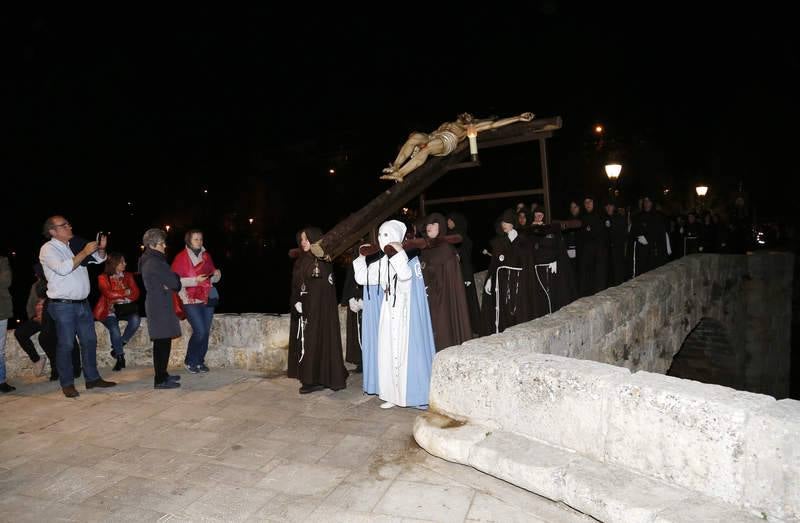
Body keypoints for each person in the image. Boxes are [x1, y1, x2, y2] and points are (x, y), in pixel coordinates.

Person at [39, 216, 116, 398]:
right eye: (63, 225)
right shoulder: (48, 249)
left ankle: (92, 378)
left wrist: (101, 249)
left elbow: (97, 260)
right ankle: (67, 383)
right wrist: (83, 252)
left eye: (68, 223)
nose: (69, 226)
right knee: (66, 344)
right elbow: (63, 269)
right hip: (63, 305)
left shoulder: (70, 246)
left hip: (82, 304)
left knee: (90, 341)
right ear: (53, 231)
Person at [374, 220, 436, 409]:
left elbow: (406, 280)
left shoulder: (410, 256)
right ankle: (392, 394)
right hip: (389, 308)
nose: (381, 240)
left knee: (406, 352)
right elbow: (378, 281)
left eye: (386, 235)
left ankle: (414, 395)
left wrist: (398, 255)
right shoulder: (384, 259)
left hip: (406, 312)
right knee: (389, 350)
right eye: (380, 235)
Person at [380, 112, 535, 182]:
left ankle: (401, 173)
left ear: (471, 120)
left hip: (448, 142)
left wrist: (518, 117)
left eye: (470, 116)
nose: (467, 115)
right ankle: (396, 166)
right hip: (434, 136)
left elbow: (493, 124)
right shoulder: (447, 123)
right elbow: (428, 136)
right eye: (466, 113)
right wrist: (417, 144)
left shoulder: (468, 127)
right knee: (414, 136)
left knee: (428, 147)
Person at [288, 227, 347, 394]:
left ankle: (316, 378)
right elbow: (296, 285)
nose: (303, 242)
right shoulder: (301, 261)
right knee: (307, 343)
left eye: (307, 239)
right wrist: (296, 301)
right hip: (304, 309)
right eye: (301, 240)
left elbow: (324, 288)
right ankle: (309, 376)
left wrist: (312, 306)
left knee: (316, 342)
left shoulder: (322, 260)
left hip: (318, 312)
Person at [420, 213, 472, 351]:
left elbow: (450, 281)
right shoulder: (425, 249)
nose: (429, 227)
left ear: (441, 227)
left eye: (433, 224)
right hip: (428, 296)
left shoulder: (447, 250)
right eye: (428, 225)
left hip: (443, 297)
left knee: (442, 327)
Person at [172, 229, 221, 374]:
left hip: (206, 297)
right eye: (196, 239)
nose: (199, 241)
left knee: (205, 331)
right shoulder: (180, 258)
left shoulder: (206, 256)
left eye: (201, 238)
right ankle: (190, 360)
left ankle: (199, 361)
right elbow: (174, 281)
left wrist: (217, 275)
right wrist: (194, 280)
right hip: (189, 299)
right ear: (188, 241)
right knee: (199, 331)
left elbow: (211, 278)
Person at [139, 228, 182, 389]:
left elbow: (169, 282)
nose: (165, 246)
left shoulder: (148, 259)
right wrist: (174, 279)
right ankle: (159, 380)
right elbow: (175, 283)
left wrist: (169, 283)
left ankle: (163, 374)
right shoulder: (155, 262)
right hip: (160, 306)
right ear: (153, 244)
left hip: (158, 304)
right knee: (162, 342)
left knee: (163, 340)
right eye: (162, 243)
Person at [94, 253, 141, 372]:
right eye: (122, 262)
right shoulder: (103, 277)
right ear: (114, 264)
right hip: (108, 309)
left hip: (125, 308)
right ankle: (120, 357)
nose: (125, 264)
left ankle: (118, 345)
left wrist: (124, 297)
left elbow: (136, 293)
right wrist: (125, 293)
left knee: (135, 320)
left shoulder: (128, 275)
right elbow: (108, 293)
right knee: (114, 328)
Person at [447, 211, 482, 337]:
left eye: (451, 220)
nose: (448, 222)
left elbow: (466, 259)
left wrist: (467, 276)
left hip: (464, 274)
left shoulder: (462, 238)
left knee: (468, 302)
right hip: (457, 274)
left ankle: (471, 328)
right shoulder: (450, 237)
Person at [13, 263, 49, 377]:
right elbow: (29, 305)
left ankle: (57, 368)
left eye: (39, 272)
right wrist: (33, 317)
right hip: (37, 318)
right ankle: (37, 359)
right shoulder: (35, 286)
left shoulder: (54, 282)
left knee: (46, 338)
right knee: (19, 333)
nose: (37, 275)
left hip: (51, 318)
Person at [629, 196, 669, 277]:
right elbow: (633, 233)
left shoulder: (659, 217)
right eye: (645, 201)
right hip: (640, 254)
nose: (647, 204)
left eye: (649, 201)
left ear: (652, 203)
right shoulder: (637, 217)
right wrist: (637, 237)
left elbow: (661, 237)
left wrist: (649, 239)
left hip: (653, 254)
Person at [0, 254, 14, 392]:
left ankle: (1, 381)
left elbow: (6, 281)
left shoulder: (2, 260)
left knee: (0, 350)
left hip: (1, 311)